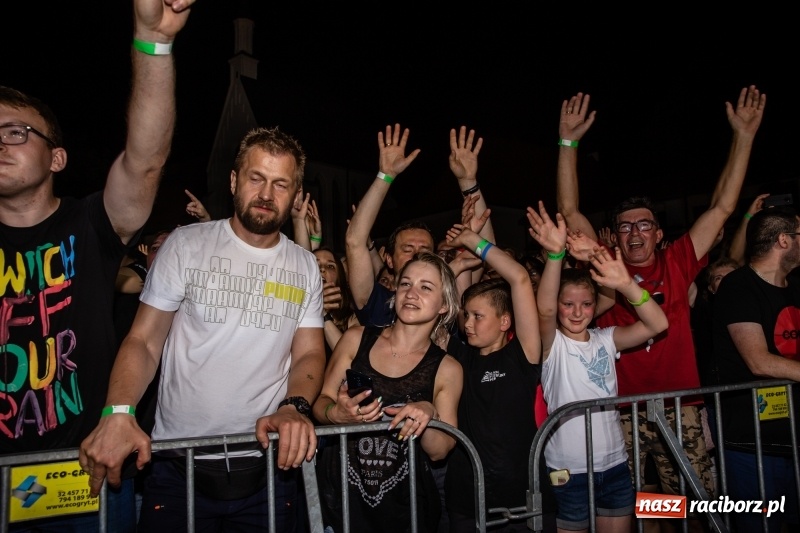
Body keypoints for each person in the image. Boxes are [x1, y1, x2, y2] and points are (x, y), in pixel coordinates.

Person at [1, 1, 194, 530]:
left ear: (56, 158)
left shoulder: (88, 224)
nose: (1, 142)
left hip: (83, 471)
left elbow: (146, 159)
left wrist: (153, 42)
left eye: (17, 132)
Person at [79, 126, 325, 532]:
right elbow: (143, 341)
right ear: (233, 181)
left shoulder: (304, 266)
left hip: (266, 464)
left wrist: (294, 406)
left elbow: (309, 354)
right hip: (179, 465)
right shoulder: (186, 244)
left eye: (281, 184)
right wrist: (118, 412)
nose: (266, 194)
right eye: (256, 178)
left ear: (296, 195)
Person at [555, 87, 766, 513]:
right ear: (613, 236)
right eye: (625, 226)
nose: (635, 233)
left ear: (658, 233)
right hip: (620, 413)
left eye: (645, 225)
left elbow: (724, 206)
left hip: (679, 407)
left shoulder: (680, 260)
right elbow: (569, 207)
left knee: (691, 504)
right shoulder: (605, 262)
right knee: (630, 505)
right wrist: (567, 142)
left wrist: (743, 136)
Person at [528, 202, 668, 533]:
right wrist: (554, 257)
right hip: (568, 470)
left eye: (586, 304)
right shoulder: (553, 345)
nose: (577, 312)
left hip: (615, 464)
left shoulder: (606, 339)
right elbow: (544, 312)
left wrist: (624, 283)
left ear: (596, 306)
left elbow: (657, 324)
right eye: (568, 304)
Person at [312, 251, 463, 533]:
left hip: (405, 511)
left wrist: (427, 415)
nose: (411, 293)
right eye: (405, 283)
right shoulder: (356, 339)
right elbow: (321, 403)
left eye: (425, 287)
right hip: (342, 502)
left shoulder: (447, 368)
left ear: (444, 305)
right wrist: (337, 414)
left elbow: (440, 450)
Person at [442, 220, 543, 532]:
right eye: (466, 316)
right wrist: (456, 261)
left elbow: (520, 279)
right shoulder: (459, 358)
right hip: (468, 498)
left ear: (504, 321)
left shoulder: (522, 354)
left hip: (521, 496)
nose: (468, 323)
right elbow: (445, 299)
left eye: (478, 316)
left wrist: (476, 241)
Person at [713, 206, 800, 532]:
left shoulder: (795, 287)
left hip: (793, 436)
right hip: (753, 442)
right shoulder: (738, 287)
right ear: (783, 240)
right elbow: (758, 361)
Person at [314, 246, 359, 355]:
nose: (322, 269)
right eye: (315, 263)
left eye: (330, 266)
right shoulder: (295, 309)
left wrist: (322, 312)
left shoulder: (352, 319)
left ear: (339, 279)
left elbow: (346, 356)